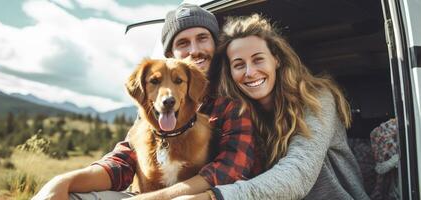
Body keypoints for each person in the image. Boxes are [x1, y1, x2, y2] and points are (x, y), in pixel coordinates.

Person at [32, 4, 265, 200]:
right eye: (183, 43)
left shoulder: (232, 107)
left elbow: (226, 173)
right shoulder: (150, 111)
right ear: (170, 54)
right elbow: (121, 162)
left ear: (215, 45)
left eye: (203, 38)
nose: (194, 50)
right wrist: (63, 181)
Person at [177, 14, 371, 200]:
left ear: (276, 59)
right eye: (239, 65)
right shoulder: (239, 115)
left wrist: (214, 197)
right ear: (230, 74)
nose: (250, 72)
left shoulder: (317, 98)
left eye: (258, 59)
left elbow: (297, 174)